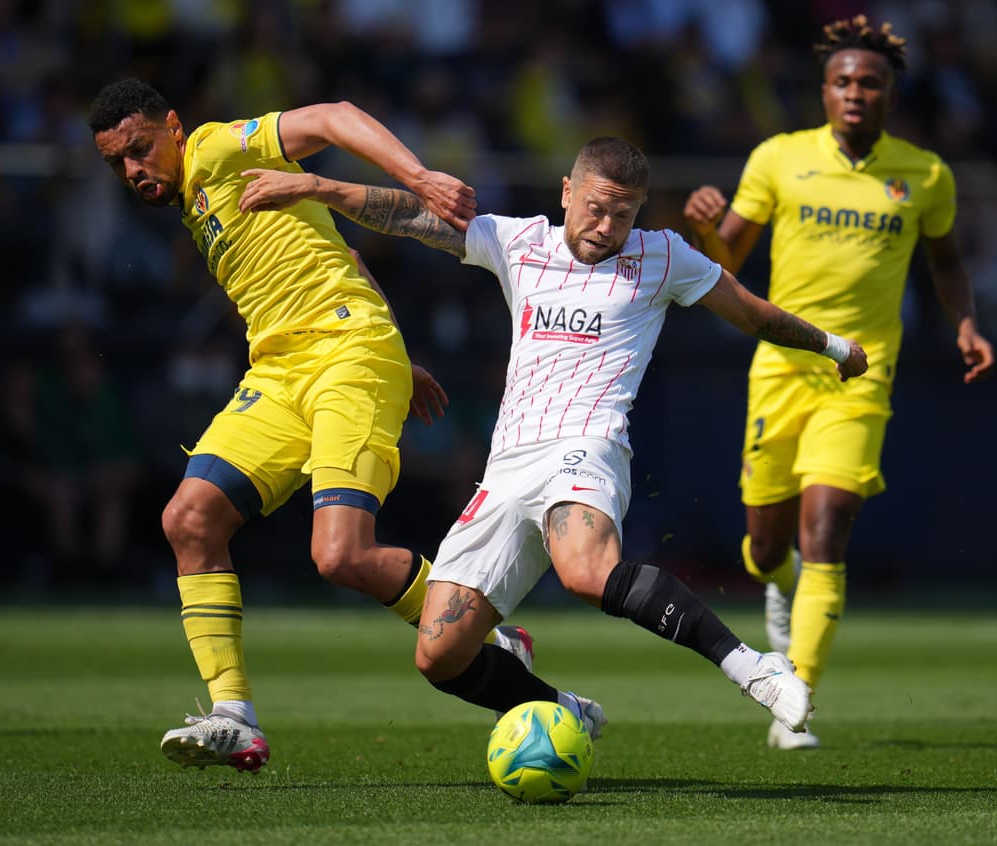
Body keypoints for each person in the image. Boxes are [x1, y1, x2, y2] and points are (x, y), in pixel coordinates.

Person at [234, 136, 868, 742]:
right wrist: (316, 185)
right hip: (508, 467)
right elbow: (409, 216)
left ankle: (752, 667)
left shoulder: (664, 256)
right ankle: (562, 710)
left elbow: (751, 310)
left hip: (587, 447)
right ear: (567, 192)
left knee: (586, 571)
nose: (605, 226)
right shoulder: (519, 242)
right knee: (440, 655)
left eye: (622, 214)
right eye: (595, 207)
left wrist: (834, 347)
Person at [87, 77, 533, 773]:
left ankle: (489, 634)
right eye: (118, 163)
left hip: (345, 352)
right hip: (281, 370)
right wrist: (404, 356)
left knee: (340, 556)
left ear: (173, 127)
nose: (134, 170)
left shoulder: (213, 148)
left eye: (140, 149)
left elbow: (332, 115)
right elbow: (343, 258)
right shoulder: (196, 202)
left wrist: (418, 177)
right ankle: (234, 717)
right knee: (190, 519)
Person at [682, 15, 996, 749]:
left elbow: (946, 262)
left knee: (827, 531)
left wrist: (966, 322)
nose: (856, 93)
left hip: (862, 373)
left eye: (870, 83)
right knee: (764, 546)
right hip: (781, 368)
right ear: (824, 92)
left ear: (891, 95)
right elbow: (724, 259)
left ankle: (796, 700)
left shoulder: (924, 174)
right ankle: (776, 580)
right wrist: (702, 227)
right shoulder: (778, 159)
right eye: (843, 81)